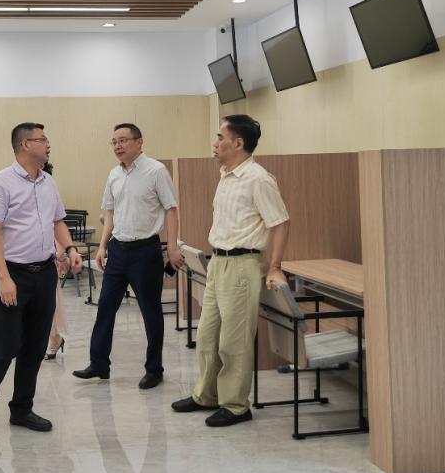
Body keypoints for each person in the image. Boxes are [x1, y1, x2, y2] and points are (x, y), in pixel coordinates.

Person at [0, 122, 83, 432]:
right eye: (43, 139)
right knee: (7, 343)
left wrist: (70, 248)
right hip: (13, 273)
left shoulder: (48, 182)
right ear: (25, 144)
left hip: (44, 273)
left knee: (35, 344)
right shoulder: (0, 183)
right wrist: (3, 277)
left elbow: (57, 221)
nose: (48, 144)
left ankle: (21, 409)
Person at [171, 114, 290, 427]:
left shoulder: (258, 179)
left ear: (238, 143)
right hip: (218, 262)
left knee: (234, 341)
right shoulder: (226, 175)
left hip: (243, 264)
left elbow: (280, 223)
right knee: (207, 335)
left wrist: (275, 266)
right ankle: (207, 395)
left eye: (220, 137)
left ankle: (236, 405)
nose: (215, 143)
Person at [73, 123, 183, 389]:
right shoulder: (114, 174)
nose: (118, 146)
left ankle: (154, 369)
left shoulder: (156, 171)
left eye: (123, 140)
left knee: (150, 311)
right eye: (114, 142)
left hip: (145, 251)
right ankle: (99, 364)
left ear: (139, 142)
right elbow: (110, 212)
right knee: (105, 307)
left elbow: (171, 209)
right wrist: (102, 246)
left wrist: (172, 247)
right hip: (118, 250)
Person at [41, 161, 68, 361]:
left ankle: (55, 338)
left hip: (49, 255)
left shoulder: (48, 193)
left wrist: (61, 252)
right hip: (31, 257)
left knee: (50, 304)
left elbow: (56, 224)